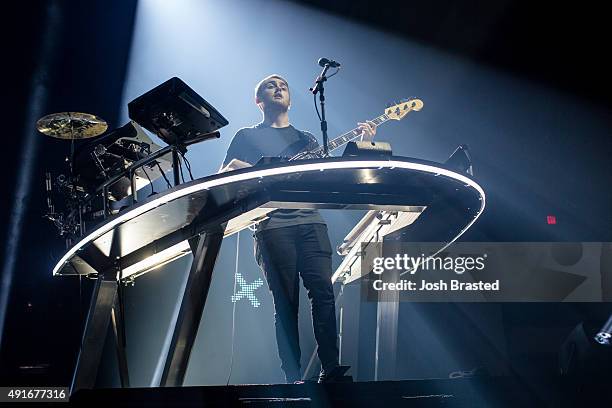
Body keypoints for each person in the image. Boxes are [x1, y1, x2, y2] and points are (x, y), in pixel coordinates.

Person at [220, 74, 375, 383]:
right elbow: (225, 175)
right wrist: (256, 172)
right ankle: (292, 377)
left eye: (283, 86)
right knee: (286, 303)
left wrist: (366, 142)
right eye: (270, 86)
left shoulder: (307, 139)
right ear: (258, 100)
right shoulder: (247, 136)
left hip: (311, 223)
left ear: (290, 98)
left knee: (324, 294)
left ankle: (331, 369)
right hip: (271, 227)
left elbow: (329, 179)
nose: (278, 89)